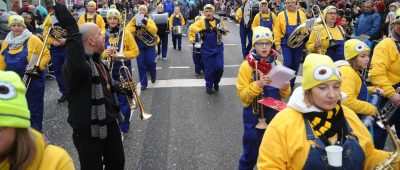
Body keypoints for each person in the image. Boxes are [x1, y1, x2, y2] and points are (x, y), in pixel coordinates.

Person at [257, 53, 400, 169]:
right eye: (322, 87)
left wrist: (394, 161)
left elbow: (368, 155)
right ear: (308, 90)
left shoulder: (347, 115)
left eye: (336, 86)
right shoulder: (283, 123)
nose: (332, 95)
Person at [53, 3, 125, 169]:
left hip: (110, 123)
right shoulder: (76, 66)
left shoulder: (97, 60)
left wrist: (120, 87)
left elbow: (105, 83)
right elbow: (76, 61)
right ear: (91, 40)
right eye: (100, 34)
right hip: (87, 129)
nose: (104, 36)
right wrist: (72, 29)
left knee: (117, 163)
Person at [236, 26, 291, 170]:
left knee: (275, 154)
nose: (264, 47)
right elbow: (243, 96)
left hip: (275, 115)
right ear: (254, 45)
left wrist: (285, 88)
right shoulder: (246, 66)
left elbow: (284, 95)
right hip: (253, 116)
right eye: (260, 44)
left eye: (267, 43)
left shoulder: (277, 64)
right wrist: (258, 84)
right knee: (251, 153)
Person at [0, 71, 75, 170]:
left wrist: (39, 65)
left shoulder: (56, 162)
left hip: (33, 79)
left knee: (35, 110)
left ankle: (37, 131)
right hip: (19, 83)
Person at [0, 15, 50, 132]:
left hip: (32, 79)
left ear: (23, 26)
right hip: (15, 82)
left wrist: (38, 67)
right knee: (18, 107)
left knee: (34, 108)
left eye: (19, 25)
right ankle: (23, 133)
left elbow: (46, 54)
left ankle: (36, 133)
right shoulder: (7, 42)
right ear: (10, 27)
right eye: (13, 25)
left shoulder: (32, 39)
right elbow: (2, 60)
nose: (17, 28)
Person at [103, 8, 139, 140]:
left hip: (123, 70)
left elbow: (135, 51)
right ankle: (113, 127)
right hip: (108, 71)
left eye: (115, 18)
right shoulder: (103, 34)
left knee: (124, 101)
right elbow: (99, 51)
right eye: (110, 18)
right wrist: (104, 53)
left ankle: (125, 128)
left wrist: (121, 54)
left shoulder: (126, 33)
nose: (112, 21)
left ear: (119, 20)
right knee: (110, 101)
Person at [368, 8, 400, 150]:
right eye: (399, 23)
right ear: (393, 25)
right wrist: (391, 93)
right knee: (378, 136)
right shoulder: (385, 45)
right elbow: (376, 74)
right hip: (389, 97)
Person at [336, 39, 383, 119]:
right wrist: (371, 109)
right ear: (352, 58)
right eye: (362, 56)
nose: (367, 59)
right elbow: (346, 101)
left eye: (368, 55)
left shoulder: (352, 70)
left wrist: (371, 90)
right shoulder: (347, 72)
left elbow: (355, 90)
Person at [189, 4, 226, 94]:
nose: (208, 13)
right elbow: (191, 27)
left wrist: (222, 30)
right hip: (206, 49)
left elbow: (225, 32)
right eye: (206, 11)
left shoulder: (218, 21)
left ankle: (216, 82)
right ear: (204, 13)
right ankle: (209, 85)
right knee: (209, 70)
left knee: (219, 68)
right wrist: (201, 30)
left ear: (213, 12)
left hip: (218, 48)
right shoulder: (201, 21)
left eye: (210, 11)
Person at [274, 0, 306, 89]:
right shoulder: (281, 15)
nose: (290, 4)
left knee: (295, 65)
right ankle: (284, 86)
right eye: (288, 3)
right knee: (287, 64)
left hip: (299, 43)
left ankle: (291, 86)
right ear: (285, 4)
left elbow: (306, 28)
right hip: (285, 43)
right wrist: (277, 44)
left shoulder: (302, 14)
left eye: (292, 2)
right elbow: (277, 30)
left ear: (296, 3)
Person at [127, 5, 159, 90]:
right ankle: (143, 83)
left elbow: (154, 30)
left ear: (146, 12)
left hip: (150, 45)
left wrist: (146, 24)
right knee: (141, 65)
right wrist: (135, 28)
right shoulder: (135, 19)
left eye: (143, 10)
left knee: (151, 62)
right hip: (139, 46)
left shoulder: (149, 20)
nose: (141, 11)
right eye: (140, 10)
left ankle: (153, 74)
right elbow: (127, 29)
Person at [43, 9, 68, 103]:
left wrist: (65, 40)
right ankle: (64, 93)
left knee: (70, 70)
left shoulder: (67, 16)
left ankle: (73, 92)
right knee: (58, 72)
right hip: (55, 50)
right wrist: (52, 42)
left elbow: (75, 32)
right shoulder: (49, 18)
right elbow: (45, 34)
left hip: (67, 48)